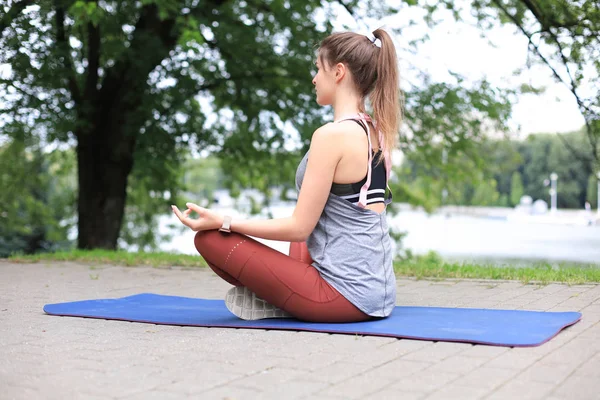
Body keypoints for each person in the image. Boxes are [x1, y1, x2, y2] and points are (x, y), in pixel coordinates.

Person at [172, 28, 401, 323]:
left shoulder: (331, 136)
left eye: (319, 68)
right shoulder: (375, 131)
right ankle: (286, 295)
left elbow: (299, 228)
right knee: (312, 218)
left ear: (339, 72)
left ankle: (284, 300)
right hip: (379, 293)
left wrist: (224, 221)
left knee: (210, 239)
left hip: (343, 298)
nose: (314, 78)